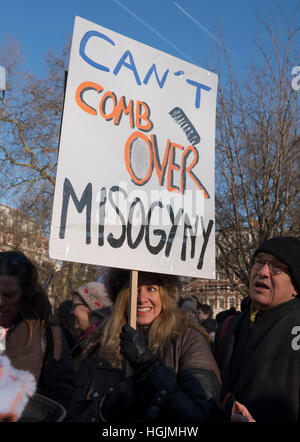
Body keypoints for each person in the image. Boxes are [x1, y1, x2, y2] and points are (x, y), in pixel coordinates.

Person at [68, 269, 221, 424]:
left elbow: (203, 415)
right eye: (134, 289)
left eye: (151, 289)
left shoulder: (188, 341)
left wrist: (147, 364)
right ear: (121, 296)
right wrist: (107, 408)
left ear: (165, 295)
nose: (141, 299)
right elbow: (73, 413)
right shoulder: (100, 343)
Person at [215, 236, 300, 422]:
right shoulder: (227, 328)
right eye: (259, 261)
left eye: (277, 267)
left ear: (295, 286)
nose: (262, 271)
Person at [0, 250, 76, 412]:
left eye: (9, 295)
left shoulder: (47, 333)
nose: (1, 302)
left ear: (24, 295)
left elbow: (62, 397)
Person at [71, 281, 113, 372]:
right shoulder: (86, 342)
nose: (72, 312)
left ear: (91, 308)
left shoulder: (103, 348)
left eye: (74, 306)